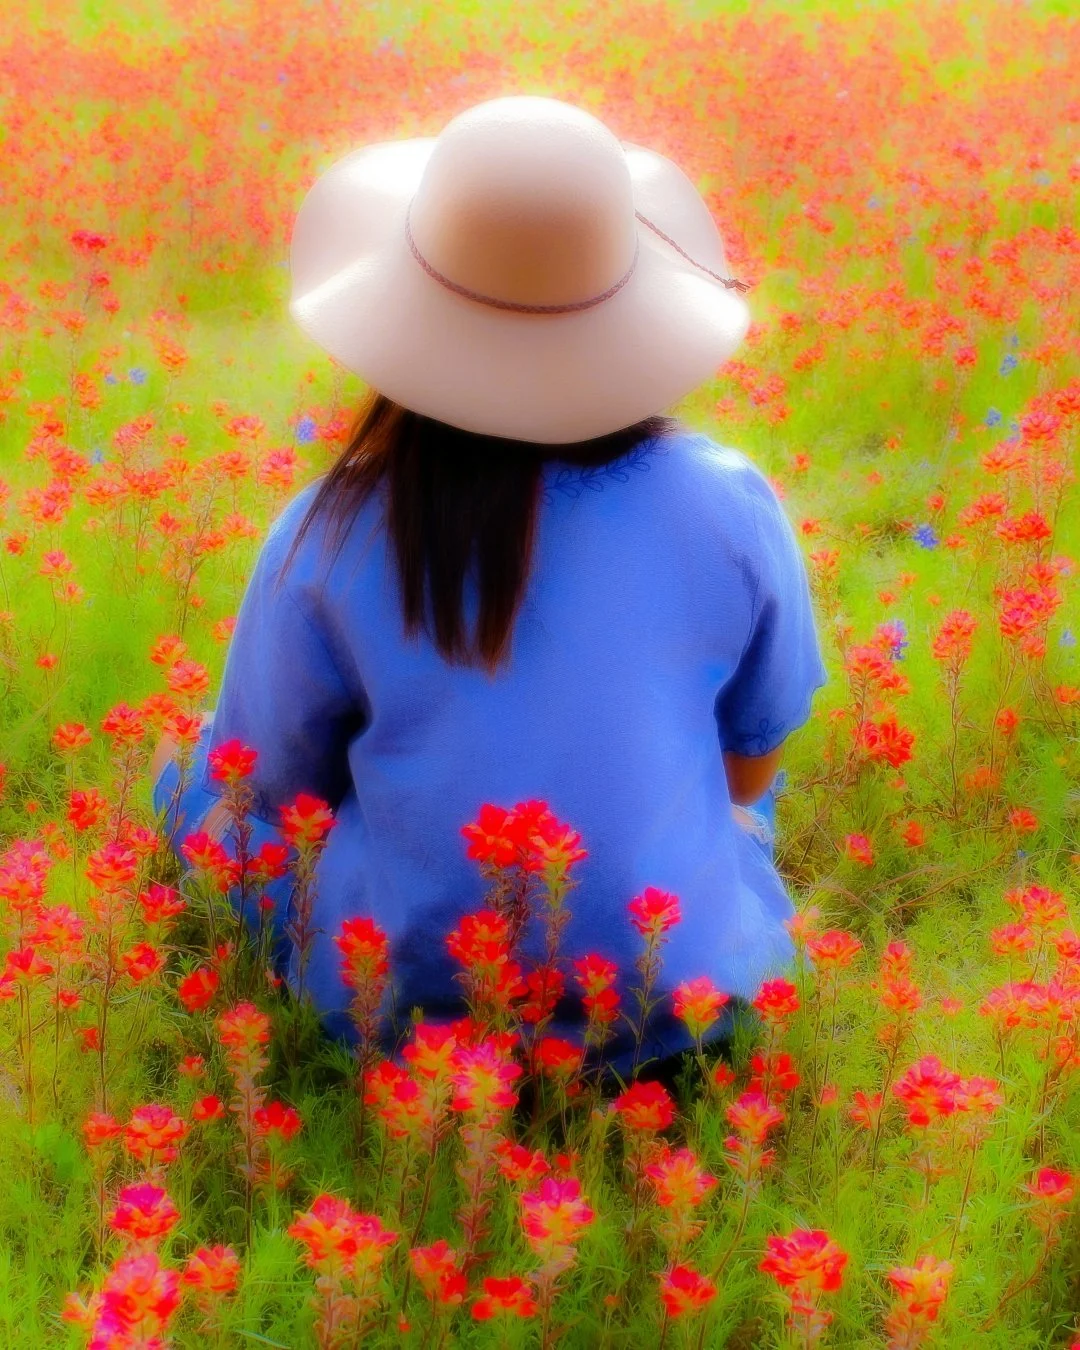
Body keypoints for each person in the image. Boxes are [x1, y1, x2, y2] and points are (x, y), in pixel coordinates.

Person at [149, 95, 829, 1088]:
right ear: (628, 312)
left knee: (191, 768)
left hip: (407, 994)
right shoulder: (729, 504)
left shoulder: (331, 529)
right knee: (724, 817)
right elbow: (750, 765)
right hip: (671, 991)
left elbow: (273, 787)